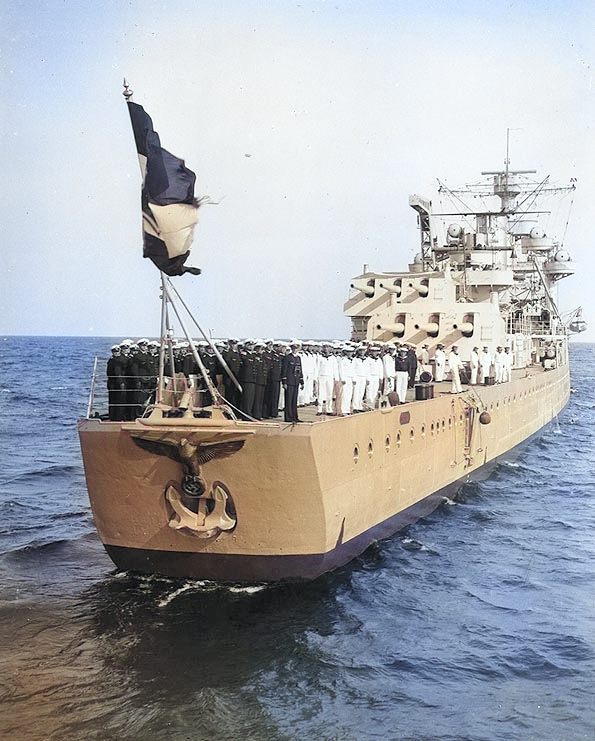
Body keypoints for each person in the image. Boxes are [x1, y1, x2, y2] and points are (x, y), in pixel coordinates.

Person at [281, 342, 304, 423]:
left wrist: (301, 381)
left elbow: (300, 370)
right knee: (289, 400)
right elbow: (284, 370)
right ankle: (288, 417)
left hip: (296, 382)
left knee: (294, 400)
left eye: (296, 348)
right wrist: (284, 382)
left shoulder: (298, 358)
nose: (295, 350)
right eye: (293, 348)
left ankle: (295, 416)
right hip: (289, 382)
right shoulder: (288, 358)